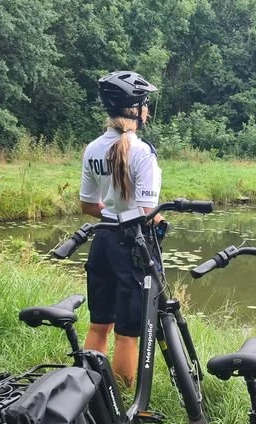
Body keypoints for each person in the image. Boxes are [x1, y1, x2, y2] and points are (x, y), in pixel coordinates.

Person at [79, 70, 167, 386]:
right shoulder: (142, 152)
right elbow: (146, 211)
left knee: (98, 324)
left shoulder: (92, 148)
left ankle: (88, 391)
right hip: (132, 246)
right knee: (128, 333)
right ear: (135, 109)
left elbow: (88, 205)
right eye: (145, 104)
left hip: (102, 240)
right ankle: (122, 404)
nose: (148, 111)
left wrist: (113, 213)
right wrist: (159, 221)